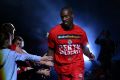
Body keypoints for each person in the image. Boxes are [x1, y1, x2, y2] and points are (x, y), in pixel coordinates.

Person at [47, 6, 95, 80]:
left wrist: (90, 55)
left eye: (66, 16)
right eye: (62, 17)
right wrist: (47, 66)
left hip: (77, 65)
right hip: (61, 67)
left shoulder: (81, 32)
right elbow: (51, 50)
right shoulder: (53, 32)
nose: (64, 19)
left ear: (72, 16)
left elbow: (84, 48)